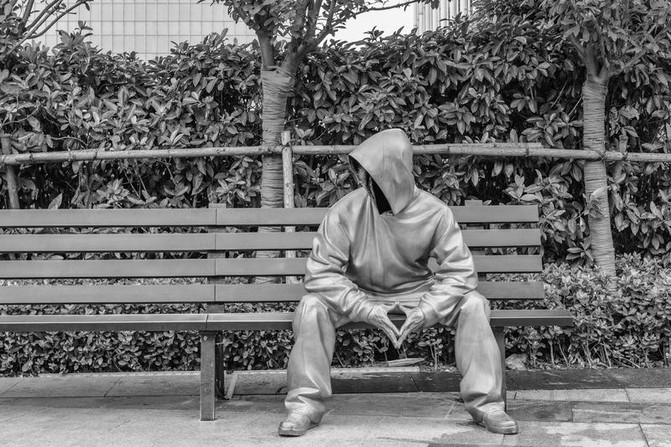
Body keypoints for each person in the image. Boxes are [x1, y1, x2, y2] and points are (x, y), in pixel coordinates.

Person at [278, 128, 519, 437]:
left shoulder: (436, 212)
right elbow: (320, 273)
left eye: (371, 174)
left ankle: (487, 405)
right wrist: (365, 308)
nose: (363, 181)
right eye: (361, 173)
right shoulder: (343, 212)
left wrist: (426, 310)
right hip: (360, 294)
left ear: (395, 174)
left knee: (474, 304)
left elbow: (460, 273)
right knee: (311, 306)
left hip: (417, 294)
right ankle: (304, 406)